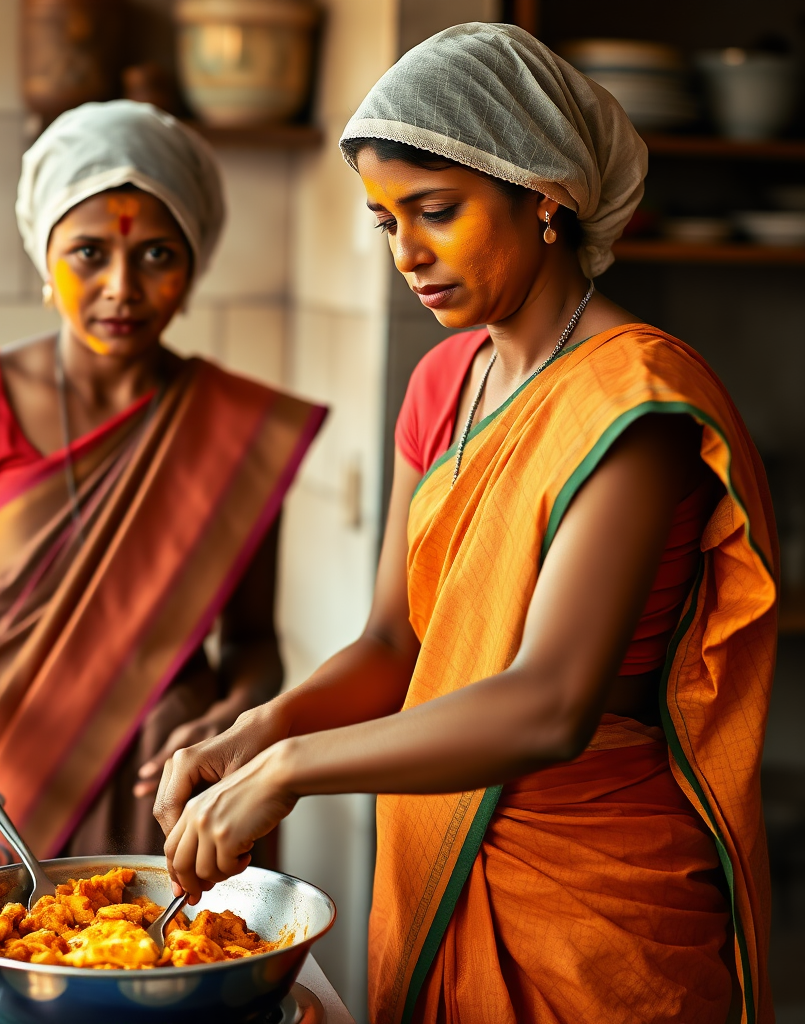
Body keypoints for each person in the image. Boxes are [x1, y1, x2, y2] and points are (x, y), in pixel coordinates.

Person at [152, 24, 777, 1024]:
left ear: (545, 196)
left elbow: (547, 703)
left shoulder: (633, 403)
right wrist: (259, 729)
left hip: (592, 898)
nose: (408, 252)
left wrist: (294, 766)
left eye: (435, 211)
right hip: (440, 850)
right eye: (383, 221)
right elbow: (395, 642)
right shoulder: (445, 380)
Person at [0, 100, 326, 859]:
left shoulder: (233, 425)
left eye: (156, 254)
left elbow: (252, 643)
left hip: (184, 794)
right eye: (89, 253)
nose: (122, 286)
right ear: (44, 258)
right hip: (6, 786)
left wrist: (242, 714)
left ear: (194, 266)